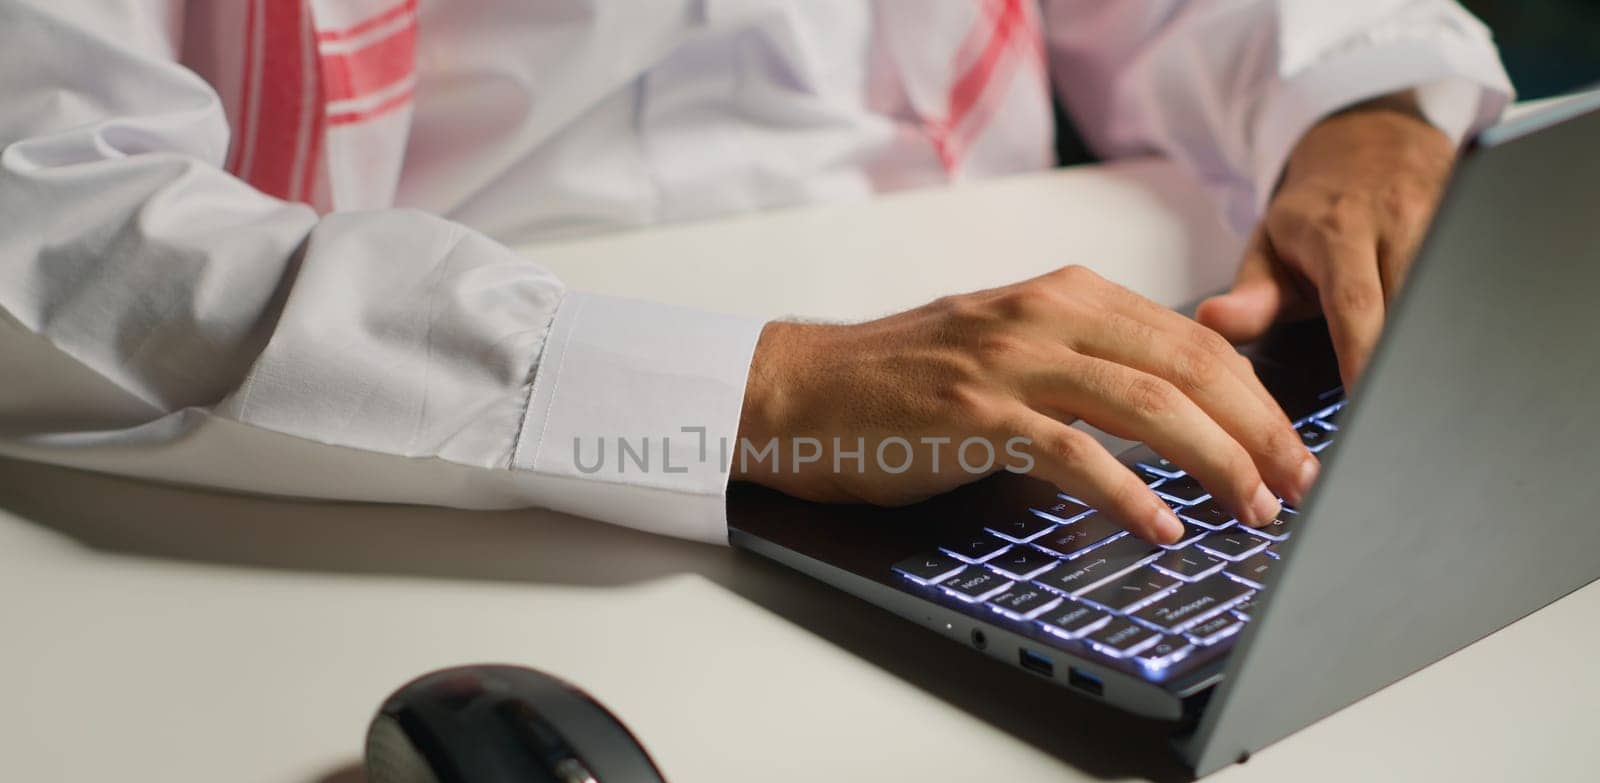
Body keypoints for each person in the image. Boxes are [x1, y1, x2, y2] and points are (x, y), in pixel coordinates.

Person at [0, 1, 1511, 546]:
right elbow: (54, 209)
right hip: (454, 431)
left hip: (1036, 356)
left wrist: (1362, 101)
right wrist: (763, 397)